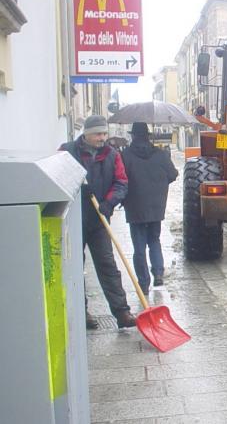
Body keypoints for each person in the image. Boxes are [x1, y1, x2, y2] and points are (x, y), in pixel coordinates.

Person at [59, 115, 136, 329]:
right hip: (73, 219)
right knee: (75, 267)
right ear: (86, 133)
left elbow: (121, 182)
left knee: (108, 265)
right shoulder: (67, 151)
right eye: (97, 134)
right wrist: (77, 189)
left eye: (104, 133)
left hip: (99, 218)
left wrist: (109, 203)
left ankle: (122, 312)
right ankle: (81, 313)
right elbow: (57, 179)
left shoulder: (112, 155)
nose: (102, 138)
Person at [121, 122, 179, 294]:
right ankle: (158, 273)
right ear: (148, 135)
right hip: (156, 206)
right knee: (154, 240)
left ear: (133, 136)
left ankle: (143, 283)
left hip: (134, 206)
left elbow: (120, 179)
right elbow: (173, 174)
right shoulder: (160, 154)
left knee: (138, 246)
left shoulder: (125, 156)